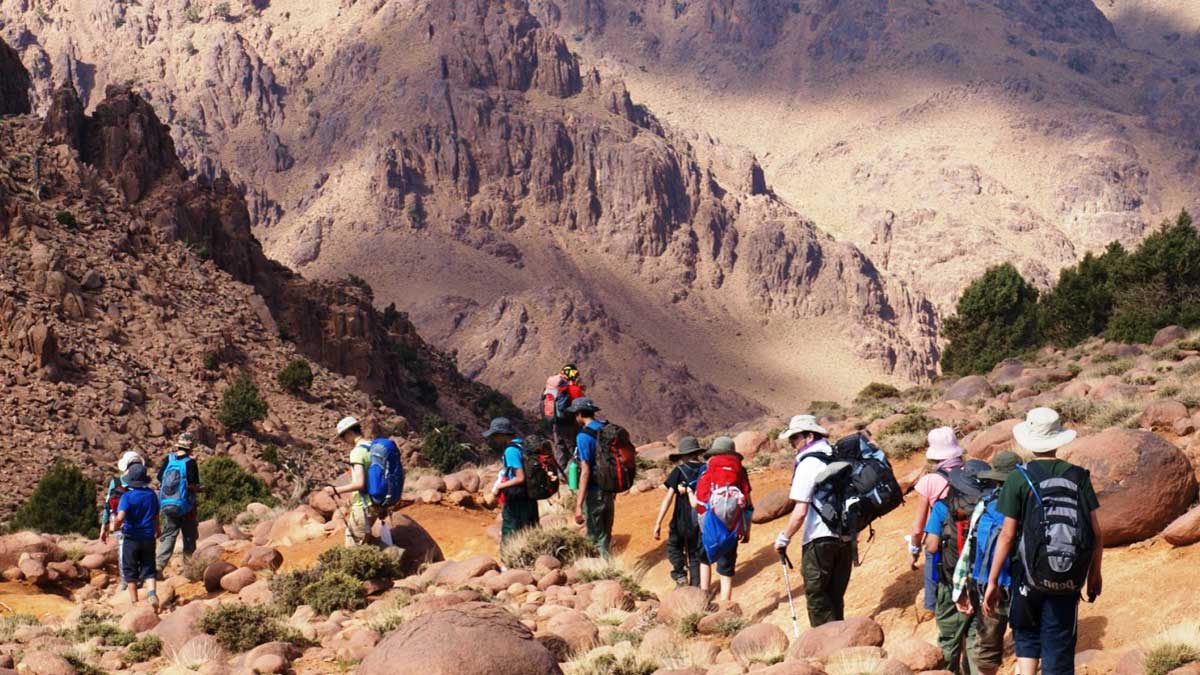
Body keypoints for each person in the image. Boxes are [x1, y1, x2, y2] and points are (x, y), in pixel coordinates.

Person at [984, 408, 1104, 675]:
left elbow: (1007, 535)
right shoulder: (1078, 477)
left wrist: (992, 581)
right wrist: (1094, 573)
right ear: (1058, 439)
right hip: (1069, 575)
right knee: (1058, 644)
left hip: (1026, 574)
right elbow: (1096, 532)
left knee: (1026, 636)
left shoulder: (1018, 478)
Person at [774, 414, 854, 628]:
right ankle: (840, 644)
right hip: (847, 537)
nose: (792, 445)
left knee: (817, 597)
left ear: (809, 436)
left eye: (795, 438)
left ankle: (826, 648)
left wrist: (784, 538)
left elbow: (800, 511)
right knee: (836, 596)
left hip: (818, 538)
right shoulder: (837, 457)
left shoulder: (808, 463)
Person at [951, 450, 1021, 675]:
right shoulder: (1030, 503)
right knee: (1026, 646)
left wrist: (959, 586)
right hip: (1022, 585)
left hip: (988, 585)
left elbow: (970, 548)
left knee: (987, 651)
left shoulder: (987, 503)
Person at [923, 459, 991, 674]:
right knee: (975, 638)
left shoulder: (944, 506)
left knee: (949, 639)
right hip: (982, 583)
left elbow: (932, 547)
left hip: (951, 582)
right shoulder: (990, 506)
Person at [910, 427, 965, 613]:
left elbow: (918, 528)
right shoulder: (970, 472)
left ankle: (934, 606)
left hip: (943, 538)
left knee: (932, 555)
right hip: (968, 534)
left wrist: (914, 549)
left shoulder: (929, 480)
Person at [694, 436, 753, 602]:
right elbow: (747, 502)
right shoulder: (740, 471)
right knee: (726, 568)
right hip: (732, 524)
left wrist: (702, 522)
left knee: (705, 559)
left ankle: (704, 597)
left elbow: (699, 500)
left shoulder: (706, 469)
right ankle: (726, 607)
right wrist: (746, 529)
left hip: (710, 522)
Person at [326, 416, 396, 548]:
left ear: (349, 433)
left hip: (363, 506)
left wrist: (335, 490)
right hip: (377, 502)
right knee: (365, 541)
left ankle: (396, 557)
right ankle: (393, 558)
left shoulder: (357, 452)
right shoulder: (372, 446)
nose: (343, 441)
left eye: (343, 437)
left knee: (353, 548)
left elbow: (360, 484)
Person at [653, 437, 707, 587]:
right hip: (701, 519)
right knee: (695, 554)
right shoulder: (706, 469)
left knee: (674, 547)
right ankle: (696, 588)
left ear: (683, 455)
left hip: (681, 520)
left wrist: (658, 523)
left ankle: (680, 575)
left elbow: (668, 498)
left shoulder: (679, 471)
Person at [486, 417, 540, 545]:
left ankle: (508, 561)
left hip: (517, 497)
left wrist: (500, 486)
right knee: (530, 529)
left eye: (495, 435)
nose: (493, 438)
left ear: (502, 434)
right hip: (530, 494)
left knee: (510, 530)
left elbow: (519, 477)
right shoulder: (522, 444)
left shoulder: (510, 450)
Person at [114, 463, 161, 611]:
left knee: (130, 570)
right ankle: (152, 593)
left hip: (131, 537)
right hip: (148, 536)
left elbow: (121, 517)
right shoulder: (151, 494)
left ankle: (135, 603)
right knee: (149, 567)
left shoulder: (127, 496)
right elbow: (156, 515)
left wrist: (114, 526)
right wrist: (157, 528)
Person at [571, 397, 614, 556]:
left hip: (595, 490)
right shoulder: (606, 429)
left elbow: (585, 470)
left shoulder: (583, 436)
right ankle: (607, 566)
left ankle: (600, 569)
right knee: (606, 531)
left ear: (580, 414)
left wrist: (578, 505)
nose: (575, 418)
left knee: (595, 535)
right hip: (609, 487)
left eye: (575, 414)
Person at [156, 433, 203, 573]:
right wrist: (201, 489)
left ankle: (158, 566)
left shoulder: (168, 460)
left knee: (169, 535)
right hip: (186, 506)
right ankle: (189, 569)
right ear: (190, 447)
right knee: (189, 536)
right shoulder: (190, 462)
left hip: (168, 504)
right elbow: (192, 485)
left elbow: (160, 478)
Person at [101, 451, 143, 591]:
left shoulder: (116, 482)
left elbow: (107, 505)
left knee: (123, 549)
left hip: (119, 520)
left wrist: (104, 526)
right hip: (138, 521)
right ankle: (138, 579)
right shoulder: (142, 483)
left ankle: (126, 581)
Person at [545, 364, 586, 477]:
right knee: (574, 449)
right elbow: (581, 407)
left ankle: (560, 475)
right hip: (569, 424)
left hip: (555, 423)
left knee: (560, 449)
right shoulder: (573, 390)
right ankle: (575, 476)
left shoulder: (553, 388)